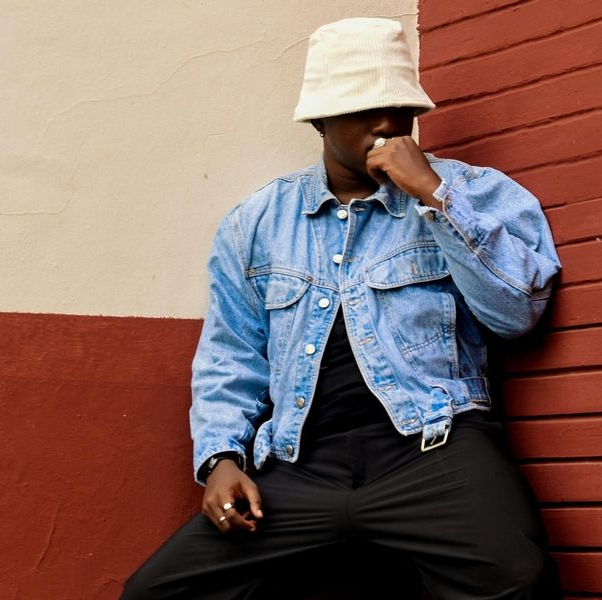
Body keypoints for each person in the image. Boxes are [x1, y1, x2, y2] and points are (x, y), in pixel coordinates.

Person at [122, 17, 562, 600]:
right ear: (320, 120)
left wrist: (433, 195)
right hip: (300, 465)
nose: (386, 124)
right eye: (364, 109)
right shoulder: (257, 224)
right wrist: (221, 459)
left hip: (433, 448)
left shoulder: (471, 192)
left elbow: (518, 312)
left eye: (399, 108)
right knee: (156, 592)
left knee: (519, 576)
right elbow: (230, 356)